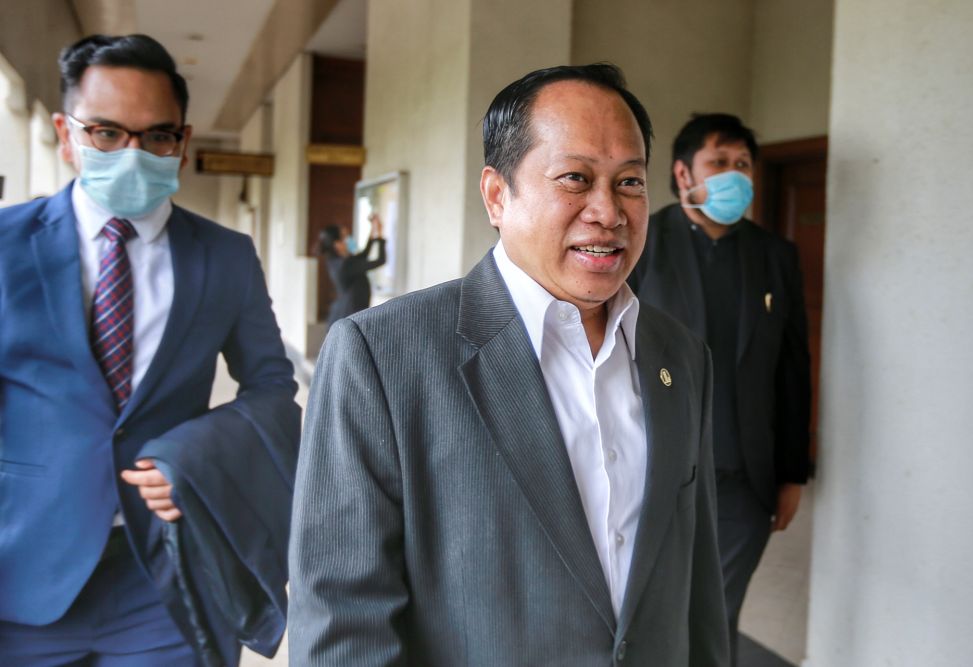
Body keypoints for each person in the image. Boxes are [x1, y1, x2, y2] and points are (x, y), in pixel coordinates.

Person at [290, 64, 729, 666]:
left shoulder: (681, 357)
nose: (608, 211)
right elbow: (343, 620)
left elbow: (698, 582)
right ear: (498, 195)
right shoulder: (382, 356)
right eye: (575, 178)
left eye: (629, 182)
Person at [0, 34, 300, 665]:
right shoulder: (5, 245)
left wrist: (192, 460)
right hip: (20, 569)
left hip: (167, 572)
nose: (131, 154)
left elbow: (272, 387)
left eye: (156, 135)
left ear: (182, 142)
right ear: (65, 132)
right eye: (106, 133)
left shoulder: (225, 256)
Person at [628, 113, 811, 666]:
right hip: (650, 466)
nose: (734, 175)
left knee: (715, 616)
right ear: (684, 174)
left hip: (742, 481)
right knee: (646, 612)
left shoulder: (774, 256)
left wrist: (791, 472)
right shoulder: (642, 239)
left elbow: (792, 367)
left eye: (742, 165)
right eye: (719, 163)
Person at [317, 213, 387, 328]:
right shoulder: (345, 265)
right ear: (337, 244)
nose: (349, 239)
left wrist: (373, 230)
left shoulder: (336, 261)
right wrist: (379, 233)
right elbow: (380, 260)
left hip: (347, 313)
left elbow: (363, 256)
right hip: (349, 315)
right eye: (345, 237)